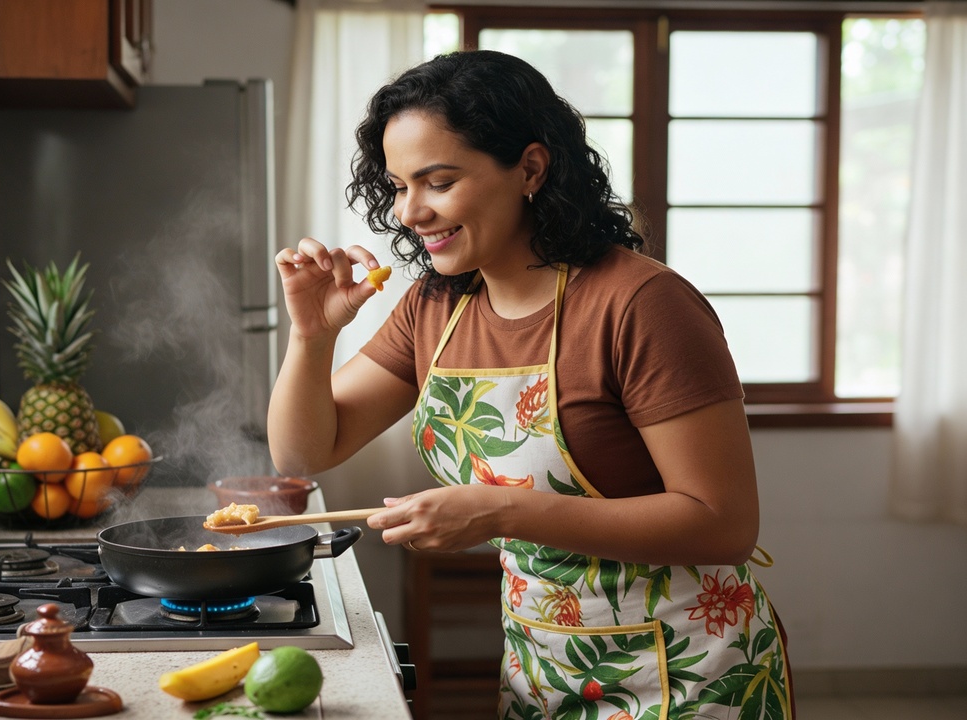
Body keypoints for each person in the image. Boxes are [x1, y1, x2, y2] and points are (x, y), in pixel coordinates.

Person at [267, 50, 793, 719]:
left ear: (531, 169)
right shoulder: (435, 307)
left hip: (688, 674)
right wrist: (312, 335)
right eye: (399, 186)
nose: (410, 212)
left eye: (438, 181)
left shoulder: (642, 305)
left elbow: (723, 524)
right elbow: (304, 452)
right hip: (544, 669)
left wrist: (500, 511)